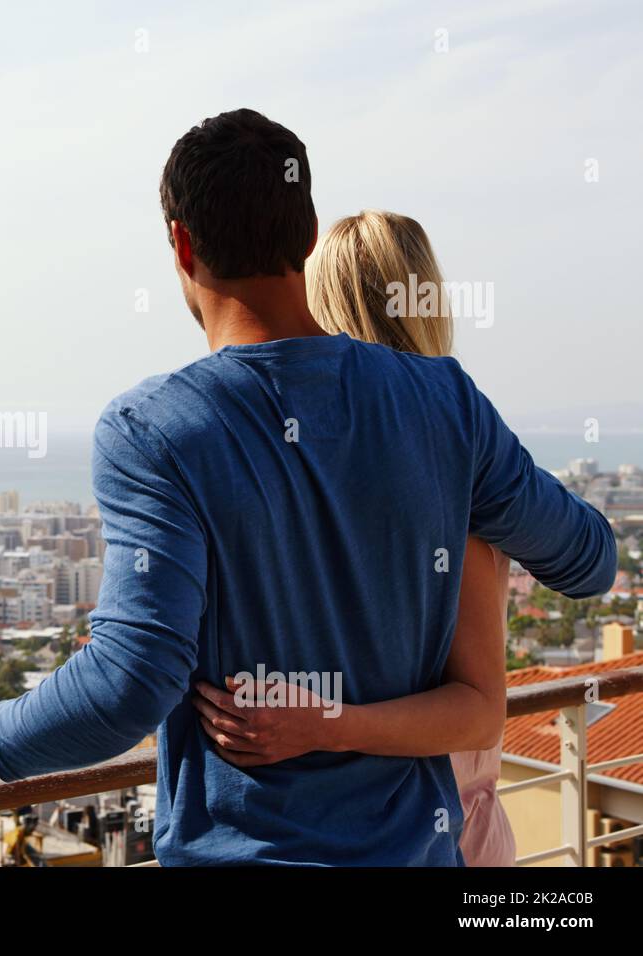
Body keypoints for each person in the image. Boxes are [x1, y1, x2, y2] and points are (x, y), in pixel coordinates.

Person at [0, 108, 615, 865]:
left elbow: (128, 684)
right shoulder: (443, 401)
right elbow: (587, 561)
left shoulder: (155, 428)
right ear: (308, 236)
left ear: (181, 243)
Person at [189, 210, 516, 866]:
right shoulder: (438, 449)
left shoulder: (447, 463)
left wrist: (325, 723)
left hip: (437, 831)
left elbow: (480, 710)